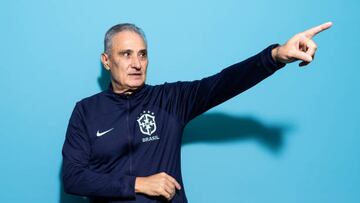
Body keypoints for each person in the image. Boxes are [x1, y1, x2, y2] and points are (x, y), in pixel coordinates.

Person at [62, 22, 332, 203]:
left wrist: (275, 56)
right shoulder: (86, 111)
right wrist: (137, 184)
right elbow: (73, 178)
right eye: (126, 54)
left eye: (143, 55)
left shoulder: (171, 99)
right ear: (106, 60)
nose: (136, 64)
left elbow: (224, 82)